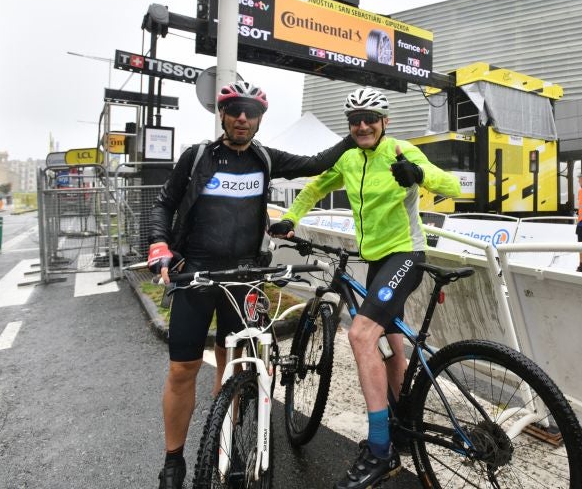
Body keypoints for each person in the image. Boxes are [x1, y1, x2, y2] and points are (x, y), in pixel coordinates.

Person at [147, 80, 355, 489]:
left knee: (238, 362)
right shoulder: (198, 157)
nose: (243, 117)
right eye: (235, 110)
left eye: (251, 112)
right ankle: (173, 461)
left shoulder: (264, 158)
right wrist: (159, 244)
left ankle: (224, 435)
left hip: (246, 275)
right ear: (222, 114)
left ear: (260, 119)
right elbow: (164, 204)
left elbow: (315, 163)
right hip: (197, 273)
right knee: (182, 368)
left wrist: (355, 133)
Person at [268, 87, 460, 489]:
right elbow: (315, 188)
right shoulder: (349, 159)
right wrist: (290, 218)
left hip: (406, 254)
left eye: (370, 117)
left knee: (359, 334)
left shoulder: (400, 151)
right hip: (376, 260)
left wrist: (418, 175)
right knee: (390, 340)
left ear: (384, 122)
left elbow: (453, 186)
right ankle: (403, 427)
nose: (362, 125)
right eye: (354, 119)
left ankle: (380, 450)